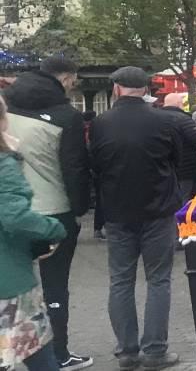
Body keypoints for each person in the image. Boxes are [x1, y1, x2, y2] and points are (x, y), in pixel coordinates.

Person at [1, 56, 93, 371]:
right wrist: (79, 210)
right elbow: (74, 170)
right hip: (54, 211)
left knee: (15, 285)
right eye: (73, 81)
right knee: (55, 287)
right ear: (65, 78)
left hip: (11, 212)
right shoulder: (67, 117)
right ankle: (59, 353)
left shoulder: (9, 106)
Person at [90, 67, 182, 370]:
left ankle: (127, 350)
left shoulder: (102, 123)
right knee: (158, 280)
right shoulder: (163, 120)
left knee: (120, 281)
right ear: (146, 89)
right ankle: (155, 350)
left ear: (116, 88)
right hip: (157, 210)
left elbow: (96, 165)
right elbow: (175, 160)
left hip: (118, 212)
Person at [0, 93, 69, 371]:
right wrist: (54, 229)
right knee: (38, 353)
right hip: (9, 280)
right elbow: (14, 215)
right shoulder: (3, 165)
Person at [159, 93, 196, 200]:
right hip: (185, 168)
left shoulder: (155, 118)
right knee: (185, 199)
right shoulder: (183, 118)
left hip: (162, 168)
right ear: (178, 103)